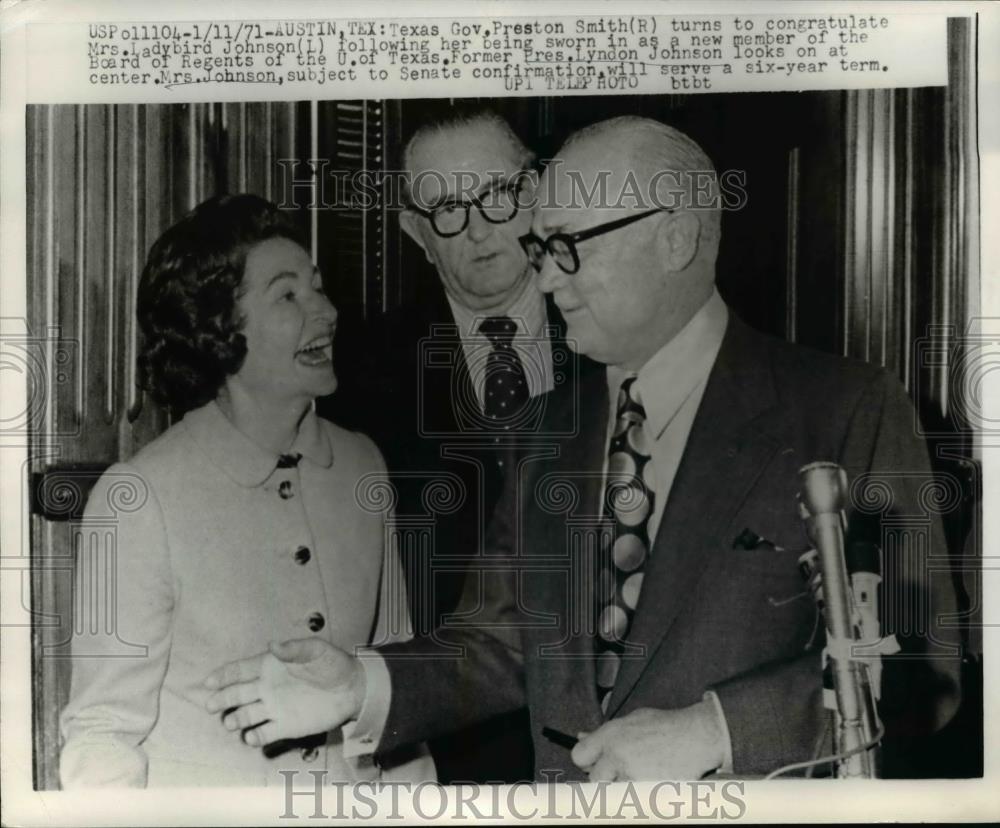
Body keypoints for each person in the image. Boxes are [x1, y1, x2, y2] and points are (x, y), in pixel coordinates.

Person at [204, 118, 962, 781]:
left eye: (568, 246)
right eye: (541, 247)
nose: (543, 275)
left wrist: (713, 729)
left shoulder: (843, 408)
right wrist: (361, 687)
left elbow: (920, 666)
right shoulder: (543, 429)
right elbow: (493, 644)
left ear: (675, 238)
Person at [59, 194, 433, 787]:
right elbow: (104, 732)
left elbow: (394, 684)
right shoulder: (139, 496)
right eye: (289, 295)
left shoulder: (364, 465)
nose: (327, 311)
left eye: (317, 287)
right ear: (219, 331)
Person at [323, 109, 598, 783]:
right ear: (416, 232)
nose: (478, 228)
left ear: (535, 192)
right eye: (447, 208)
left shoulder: (616, 333)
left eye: (498, 195)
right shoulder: (358, 376)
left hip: (610, 722)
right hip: (443, 744)